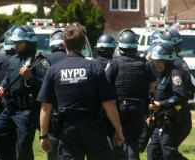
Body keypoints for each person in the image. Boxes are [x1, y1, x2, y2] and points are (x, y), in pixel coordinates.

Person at [37, 25, 124, 160]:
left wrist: (43, 136)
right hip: (93, 128)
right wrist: (118, 129)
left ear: (64, 44)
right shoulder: (94, 67)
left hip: (67, 131)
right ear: (84, 44)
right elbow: (108, 103)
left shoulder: (53, 70)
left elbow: (45, 107)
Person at [0, 25, 50, 160]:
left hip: (27, 111)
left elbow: (48, 86)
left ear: (29, 42)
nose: (15, 44)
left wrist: (31, 77)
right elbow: (7, 79)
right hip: (10, 108)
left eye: (19, 42)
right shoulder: (13, 59)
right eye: (15, 41)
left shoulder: (40, 61)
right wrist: (1, 87)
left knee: (23, 146)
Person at [105, 28, 157, 160]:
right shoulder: (144, 63)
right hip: (138, 108)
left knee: (117, 137)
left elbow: (106, 82)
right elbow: (153, 84)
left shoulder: (116, 62)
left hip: (120, 108)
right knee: (132, 141)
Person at [149, 29, 193, 146]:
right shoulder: (177, 63)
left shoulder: (155, 62)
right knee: (157, 151)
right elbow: (191, 85)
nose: (180, 47)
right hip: (164, 114)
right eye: (179, 44)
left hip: (171, 113)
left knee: (166, 151)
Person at [146, 42, 188, 160]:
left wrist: (161, 105)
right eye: (155, 60)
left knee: (168, 151)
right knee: (152, 152)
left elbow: (179, 97)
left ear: (167, 61)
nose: (156, 63)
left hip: (174, 120)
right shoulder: (161, 75)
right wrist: (151, 115)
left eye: (160, 61)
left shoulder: (175, 74)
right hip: (160, 120)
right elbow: (157, 97)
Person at [45, 29, 67, 160]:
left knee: (53, 142)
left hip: (52, 109)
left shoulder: (45, 59)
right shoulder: (72, 58)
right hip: (70, 108)